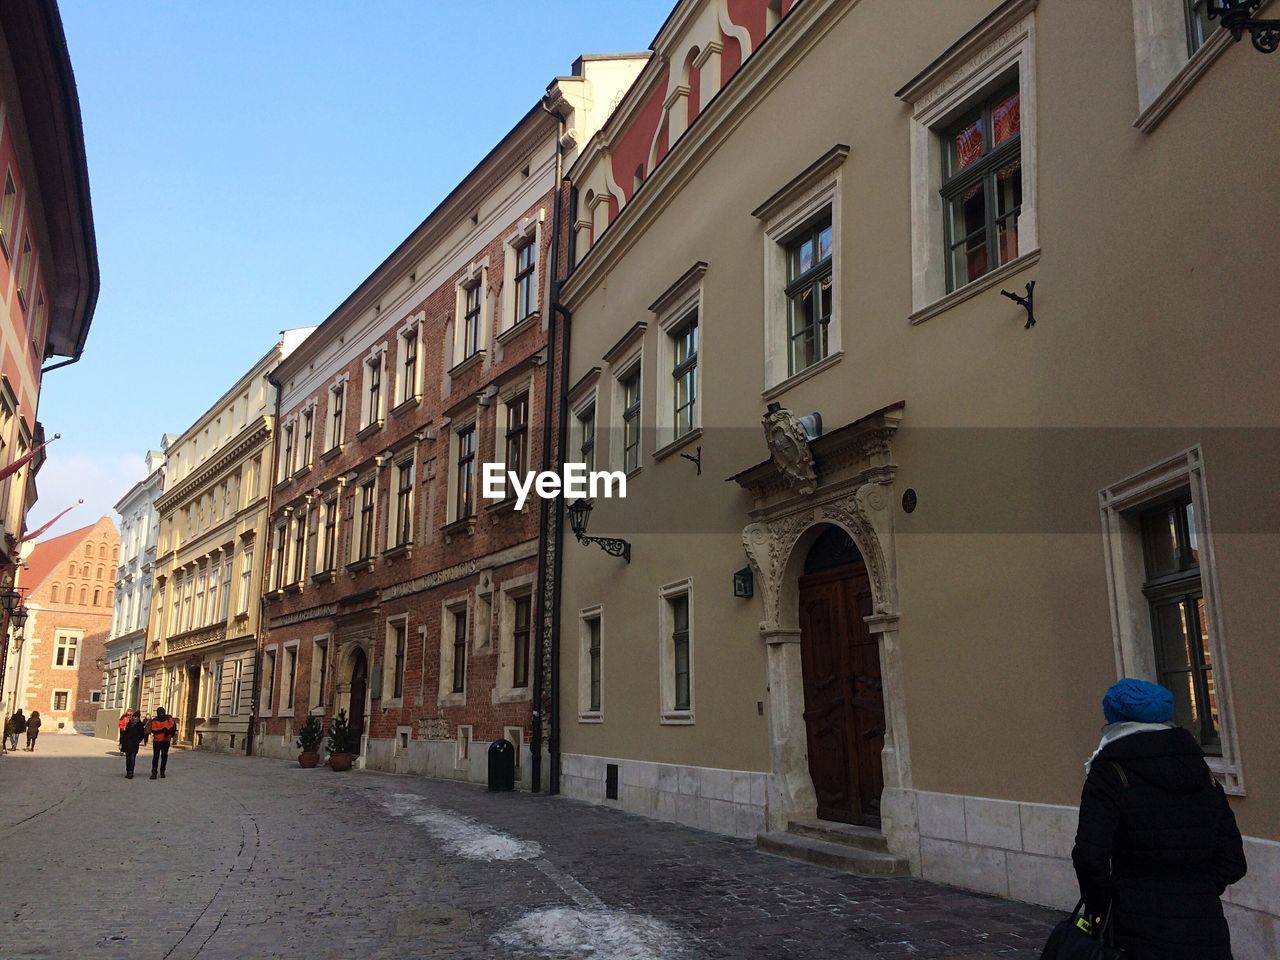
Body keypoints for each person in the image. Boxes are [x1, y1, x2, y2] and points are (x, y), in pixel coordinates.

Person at [1072, 678, 1247, 959]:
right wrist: (1197, 890)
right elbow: (1233, 861)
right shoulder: (1200, 770)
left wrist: (1104, 904)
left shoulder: (1110, 772)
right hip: (1205, 929)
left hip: (1138, 928)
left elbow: (1089, 856)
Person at [148, 707, 177, 779]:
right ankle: (154, 772)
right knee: (156, 757)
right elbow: (153, 729)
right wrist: (163, 730)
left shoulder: (169, 718)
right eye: (160, 712)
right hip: (157, 741)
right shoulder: (154, 720)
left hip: (166, 740)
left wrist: (169, 733)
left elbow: (173, 727)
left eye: (162, 712)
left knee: (164, 756)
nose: (161, 714)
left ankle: (162, 770)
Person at [119, 711, 148, 779]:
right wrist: (122, 742)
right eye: (134, 716)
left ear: (138, 717)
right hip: (127, 744)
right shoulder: (129, 724)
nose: (134, 718)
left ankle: (131, 772)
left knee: (132, 758)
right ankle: (128, 771)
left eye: (136, 717)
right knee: (128, 758)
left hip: (134, 744)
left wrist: (137, 740)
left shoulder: (140, 725)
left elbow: (142, 735)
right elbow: (125, 734)